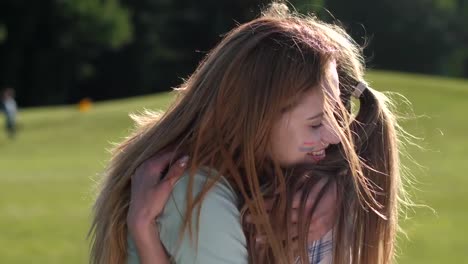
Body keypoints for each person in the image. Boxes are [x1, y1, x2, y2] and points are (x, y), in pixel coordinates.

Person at [89, 2, 408, 264]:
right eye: (315, 123)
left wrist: (338, 188)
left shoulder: (315, 191)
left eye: (338, 115)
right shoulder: (195, 195)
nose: (337, 136)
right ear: (253, 119)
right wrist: (143, 232)